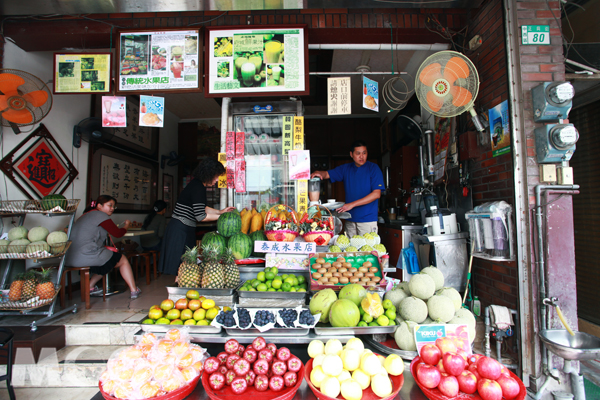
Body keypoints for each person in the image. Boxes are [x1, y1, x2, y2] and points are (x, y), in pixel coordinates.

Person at [158, 158, 235, 276]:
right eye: (216, 176)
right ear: (209, 174)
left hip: (183, 229)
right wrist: (224, 219)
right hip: (180, 231)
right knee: (182, 268)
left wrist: (220, 212)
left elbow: (202, 208)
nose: (217, 180)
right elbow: (201, 216)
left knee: (185, 268)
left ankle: (180, 291)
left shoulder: (197, 185)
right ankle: (178, 293)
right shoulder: (197, 188)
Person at [65, 195, 142, 299]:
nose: (112, 208)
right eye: (109, 205)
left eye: (114, 206)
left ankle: (90, 286)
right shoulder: (100, 215)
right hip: (86, 255)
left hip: (70, 258)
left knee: (109, 259)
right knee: (122, 259)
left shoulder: (84, 215)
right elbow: (118, 233)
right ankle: (134, 290)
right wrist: (127, 225)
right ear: (99, 206)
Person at [311, 140, 384, 237]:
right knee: (350, 250)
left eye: (364, 153)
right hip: (350, 219)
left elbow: (376, 194)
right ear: (351, 154)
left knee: (367, 250)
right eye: (358, 153)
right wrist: (319, 173)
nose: (361, 156)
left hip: (368, 220)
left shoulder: (373, 168)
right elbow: (327, 174)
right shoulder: (346, 169)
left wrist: (351, 205)